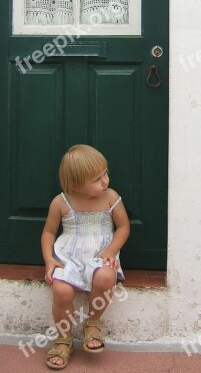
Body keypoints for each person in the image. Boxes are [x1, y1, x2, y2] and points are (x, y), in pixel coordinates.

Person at [41, 144, 130, 370]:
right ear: (75, 184)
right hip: (69, 255)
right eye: (96, 179)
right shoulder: (61, 202)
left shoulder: (111, 197)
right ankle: (64, 339)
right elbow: (49, 232)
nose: (105, 181)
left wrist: (110, 251)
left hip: (101, 252)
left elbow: (123, 227)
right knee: (61, 290)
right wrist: (49, 260)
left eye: (105, 173)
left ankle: (93, 324)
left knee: (105, 278)